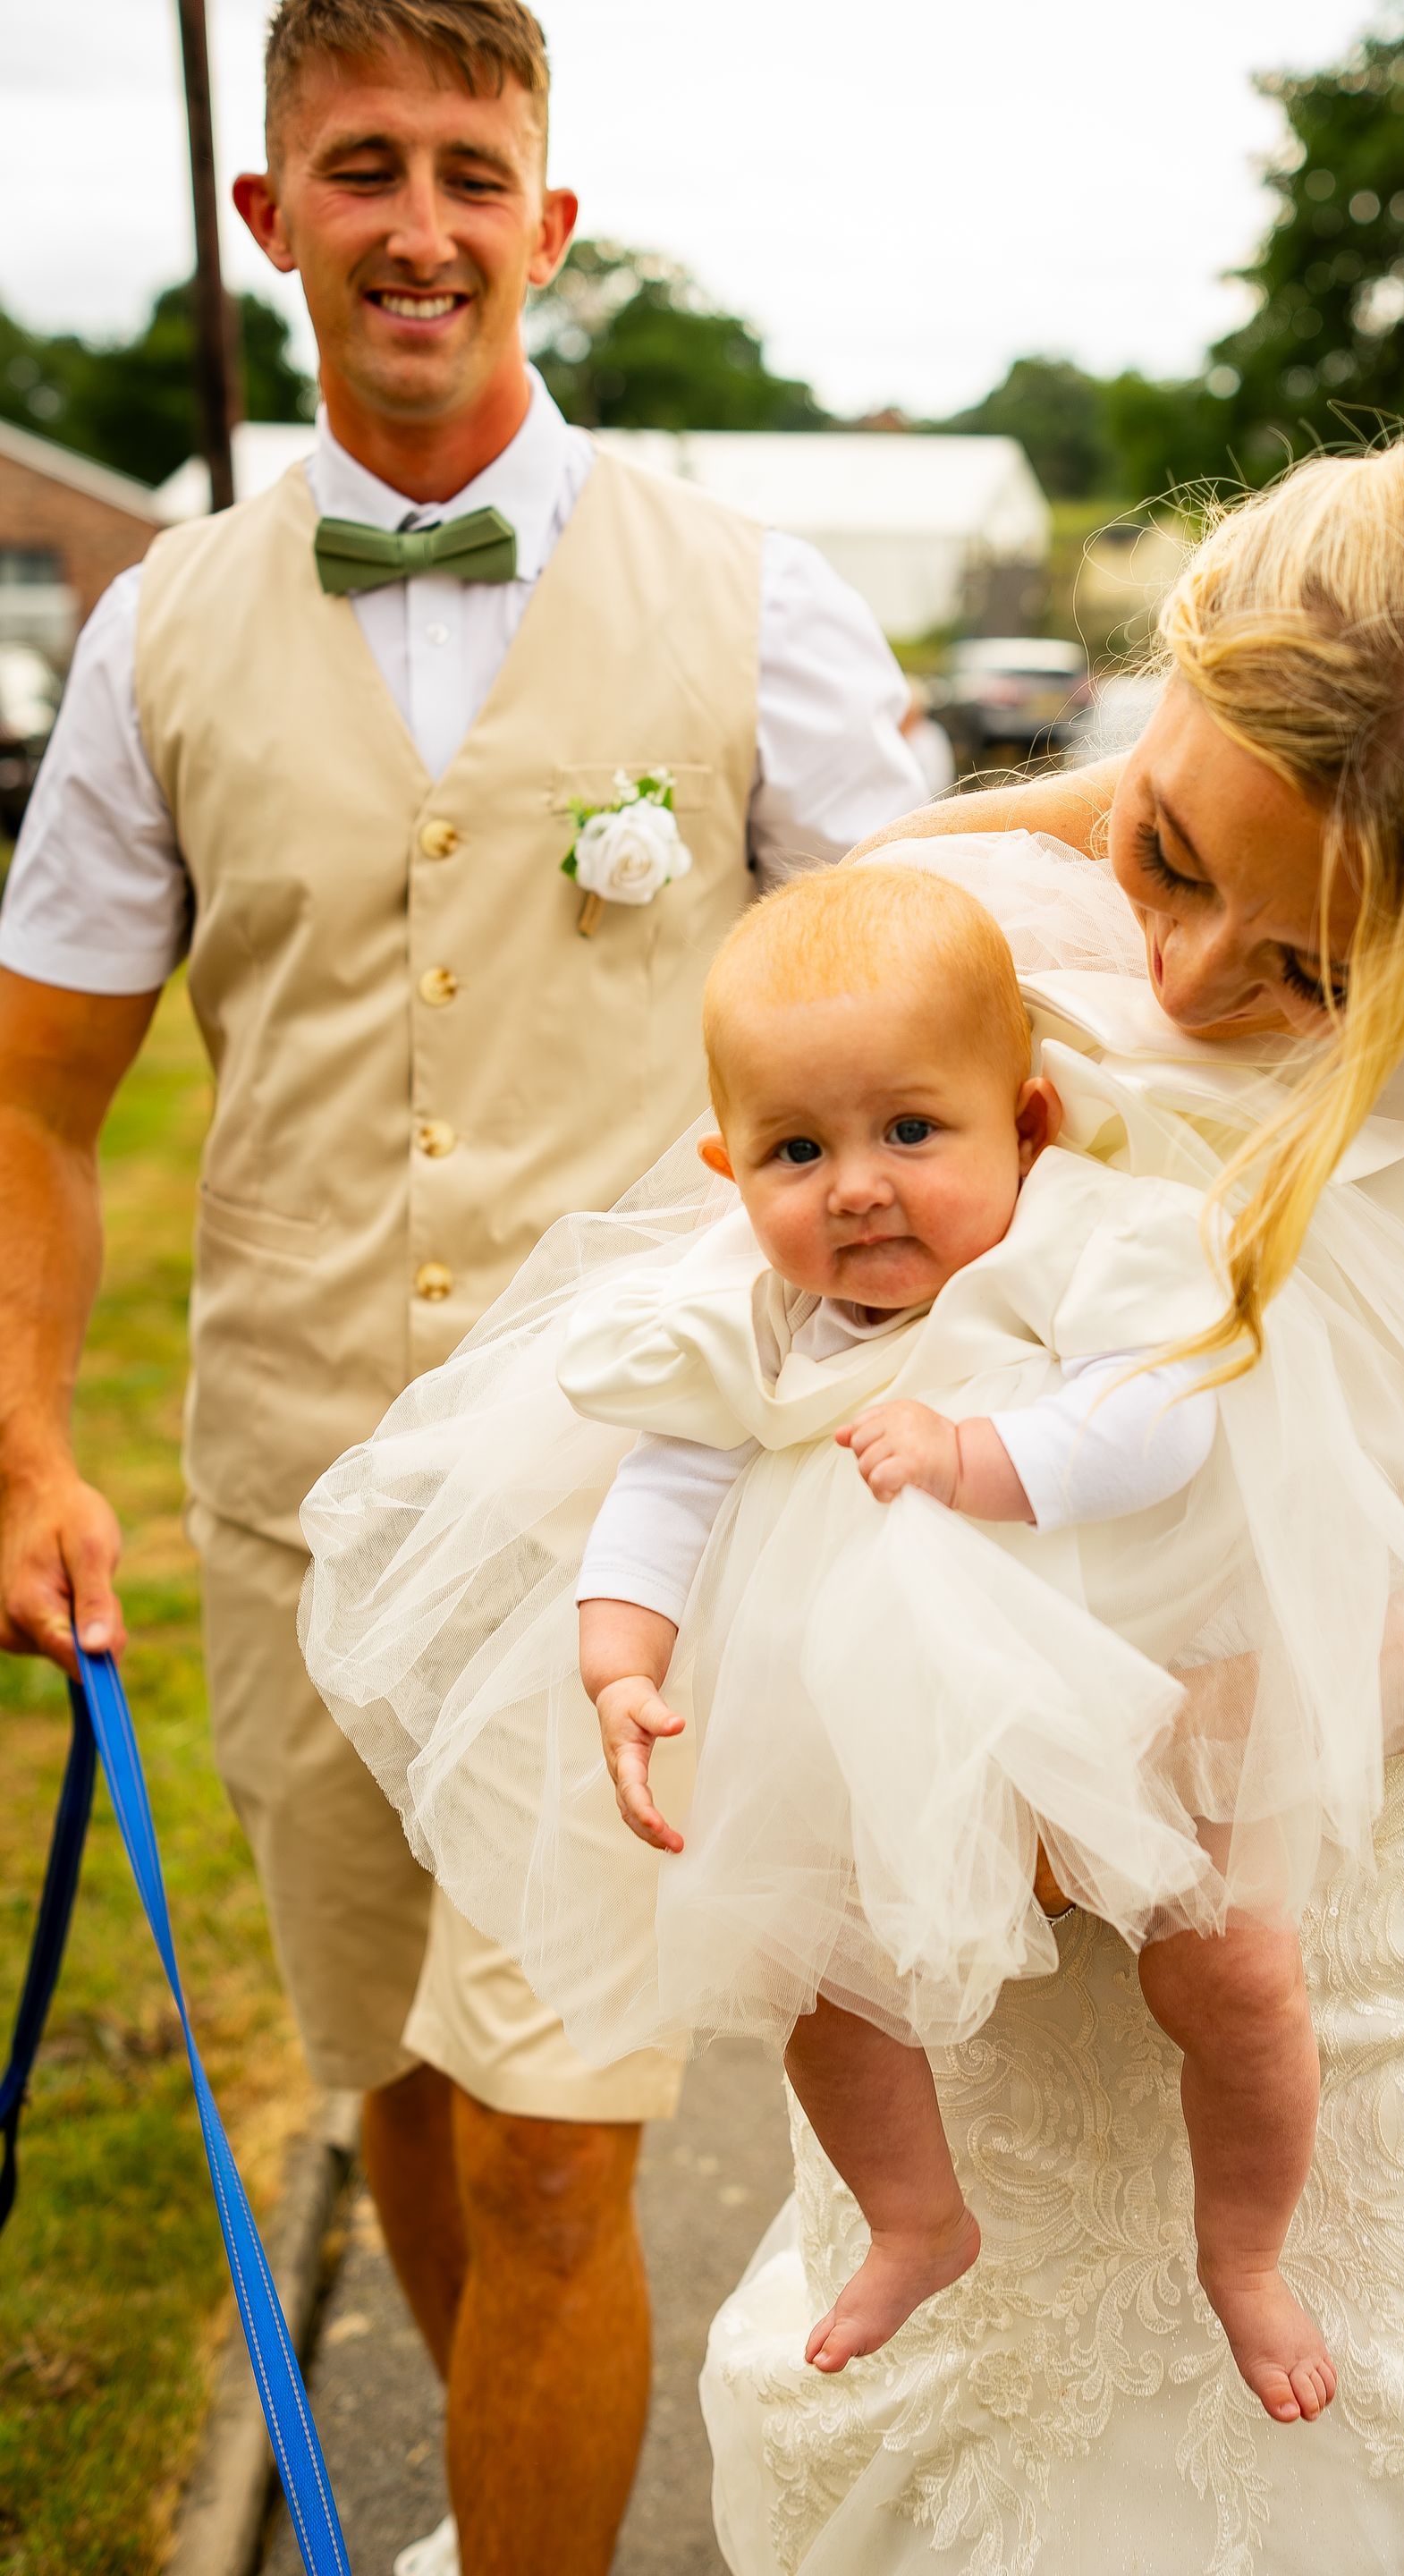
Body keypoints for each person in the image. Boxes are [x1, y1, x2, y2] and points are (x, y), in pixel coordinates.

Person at [0, 4, 920, 2572]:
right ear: (268, 221)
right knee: (396, 2086)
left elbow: (938, 983)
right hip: (291, 1496)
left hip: (626, 1522)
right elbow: (35, 1094)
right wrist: (29, 1443)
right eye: (363, 168)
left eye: (471, 169)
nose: (421, 222)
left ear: (549, 218)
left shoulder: (756, 599)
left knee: (549, 2154)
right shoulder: (157, 633)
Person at [683, 432, 1404, 2573]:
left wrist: (1194, 1750)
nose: (1178, 983)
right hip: (983, 1903)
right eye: (1167, 851)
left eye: (1321, 975)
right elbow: (773, 1365)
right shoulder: (948, 891)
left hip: (1374, 1899)